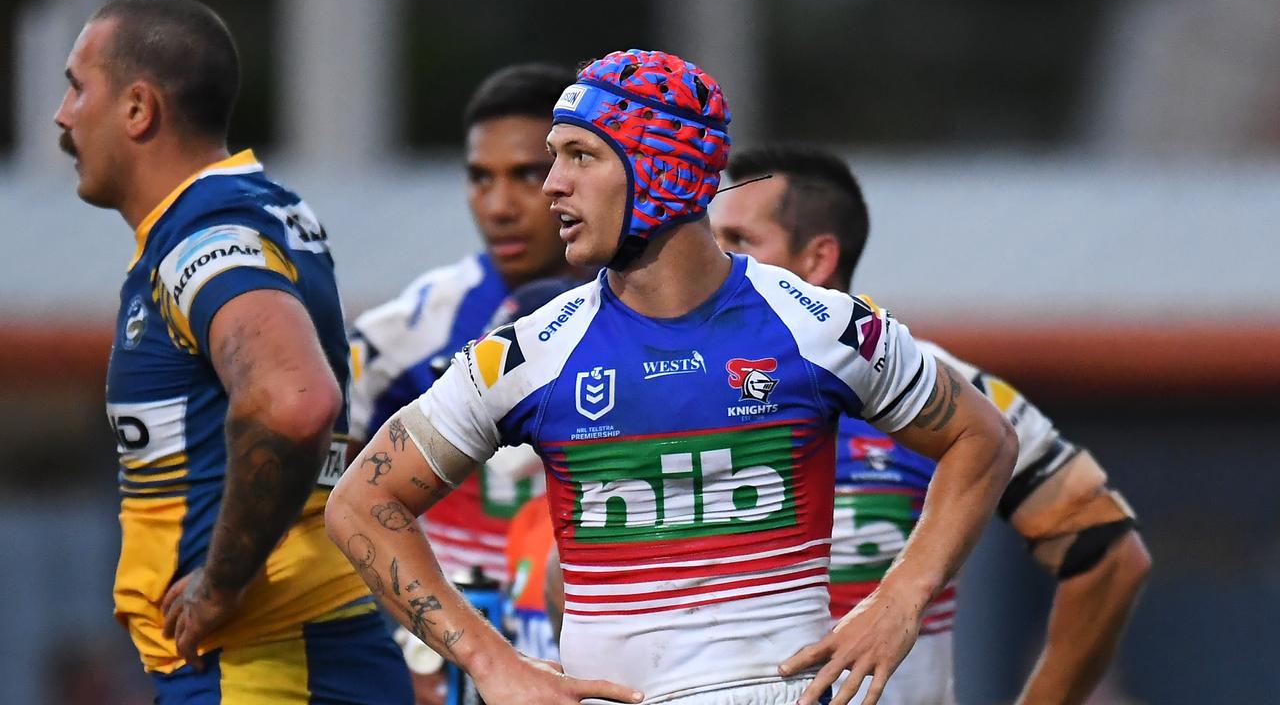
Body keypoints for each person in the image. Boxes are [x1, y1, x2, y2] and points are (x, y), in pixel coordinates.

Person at [327, 49, 1017, 705]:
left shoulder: (820, 324)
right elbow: (361, 503)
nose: (551, 186)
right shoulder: (529, 350)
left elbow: (983, 440)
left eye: (580, 156)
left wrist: (901, 599)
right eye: (554, 159)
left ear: (663, 167)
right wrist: (491, 663)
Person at [55, 0, 412, 703]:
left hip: (262, 667)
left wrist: (222, 585)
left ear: (137, 108)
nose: (63, 115)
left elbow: (294, 402)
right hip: (281, 659)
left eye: (75, 86)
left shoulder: (205, 235)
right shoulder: (254, 209)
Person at [712, 145, 1152, 705]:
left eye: (740, 242)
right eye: (713, 241)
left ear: (819, 259)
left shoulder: (944, 387)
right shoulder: (659, 381)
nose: (718, 264)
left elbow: (1109, 555)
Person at [347, 62, 578, 583]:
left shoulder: (661, 306)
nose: (498, 207)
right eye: (480, 178)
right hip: (467, 649)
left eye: (527, 174)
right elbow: (322, 476)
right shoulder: (414, 326)